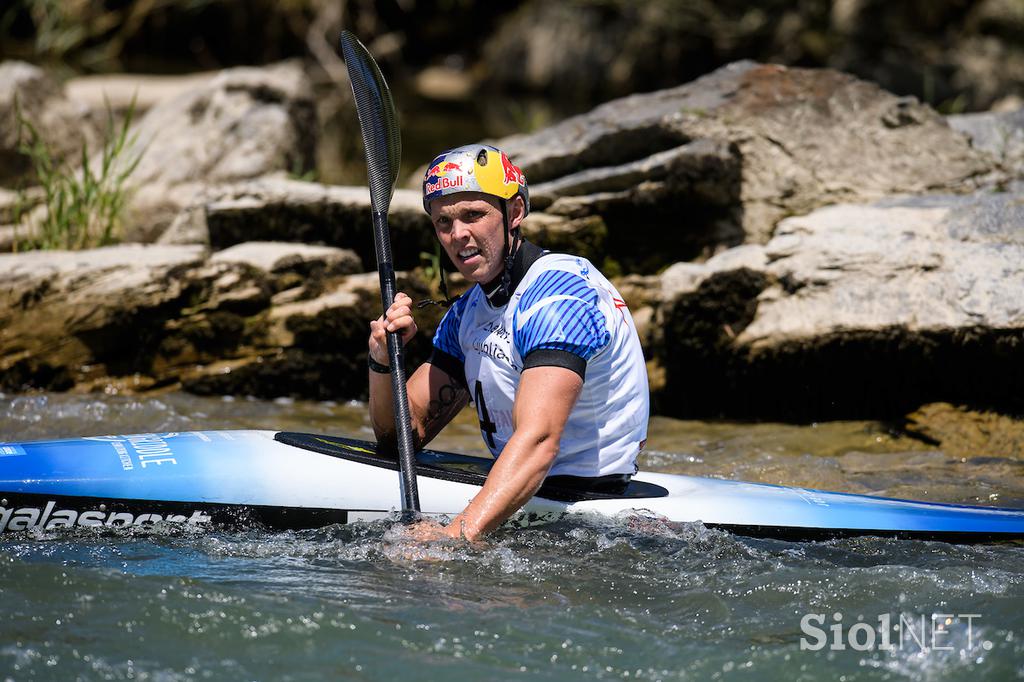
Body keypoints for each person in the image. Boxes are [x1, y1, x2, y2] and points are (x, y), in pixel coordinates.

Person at [367, 144, 649, 541]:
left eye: (473, 215)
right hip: (525, 494)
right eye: (443, 221)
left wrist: (456, 537)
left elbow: (539, 441)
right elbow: (399, 439)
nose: (457, 234)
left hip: (591, 510)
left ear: (514, 213)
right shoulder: (467, 313)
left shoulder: (560, 296)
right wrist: (381, 360)